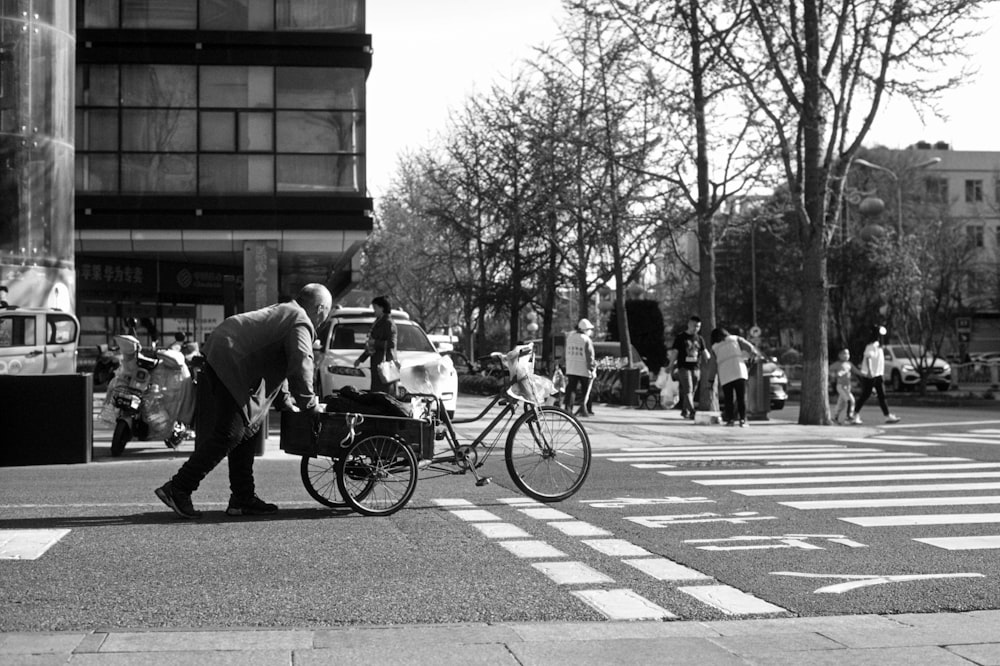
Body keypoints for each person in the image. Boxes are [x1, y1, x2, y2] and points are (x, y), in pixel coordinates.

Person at [154, 283, 333, 519]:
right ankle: (179, 488)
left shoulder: (287, 312)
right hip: (230, 357)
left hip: (223, 350)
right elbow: (301, 365)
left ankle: (242, 497)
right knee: (230, 434)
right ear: (320, 308)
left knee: (248, 429)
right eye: (326, 314)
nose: (323, 320)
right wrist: (310, 406)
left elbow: (283, 362)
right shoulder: (300, 321)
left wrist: (285, 399)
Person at [710, 327, 761, 427]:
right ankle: (743, 420)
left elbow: (713, 365)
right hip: (739, 371)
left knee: (728, 399)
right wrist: (751, 359)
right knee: (741, 398)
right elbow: (752, 349)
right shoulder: (736, 339)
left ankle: (730, 420)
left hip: (725, 374)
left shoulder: (714, 348)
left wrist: (710, 379)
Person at [852, 325, 900, 424]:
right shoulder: (871, 346)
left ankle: (887, 416)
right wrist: (869, 371)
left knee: (882, 396)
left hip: (878, 375)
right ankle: (854, 415)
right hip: (871, 375)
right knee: (865, 395)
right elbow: (868, 358)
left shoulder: (879, 347)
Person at [353, 295, 399, 394]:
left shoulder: (388, 323)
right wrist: (361, 359)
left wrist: (375, 342)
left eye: (375, 308)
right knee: (376, 393)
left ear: (382, 308)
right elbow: (371, 346)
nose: (374, 310)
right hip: (377, 364)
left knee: (385, 394)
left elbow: (391, 343)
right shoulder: (377, 322)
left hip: (385, 365)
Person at [668, 315, 709, 420]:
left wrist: (711, 361)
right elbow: (675, 352)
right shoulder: (681, 337)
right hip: (683, 368)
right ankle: (692, 412)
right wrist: (671, 365)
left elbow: (705, 353)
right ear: (689, 324)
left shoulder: (700, 339)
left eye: (698, 327)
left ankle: (685, 411)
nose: (696, 328)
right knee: (688, 389)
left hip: (696, 368)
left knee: (692, 391)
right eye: (695, 326)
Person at [562, 318, 597, 417]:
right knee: (586, 389)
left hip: (571, 368)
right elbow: (590, 355)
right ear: (585, 329)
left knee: (571, 389)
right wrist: (591, 367)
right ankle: (587, 408)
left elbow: (565, 352)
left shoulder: (570, 337)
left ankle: (568, 409)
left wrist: (562, 363)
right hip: (583, 369)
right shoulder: (586, 339)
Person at [832, 348, 857, 425]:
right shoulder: (837, 364)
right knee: (850, 400)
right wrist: (836, 374)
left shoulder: (849, 364)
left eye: (848, 353)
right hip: (841, 387)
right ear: (839, 355)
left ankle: (835, 418)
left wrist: (865, 374)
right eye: (844, 353)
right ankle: (848, 417)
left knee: (841, 403)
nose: (846, 355)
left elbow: (856, 371)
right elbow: (831, 371)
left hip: (847, 387)